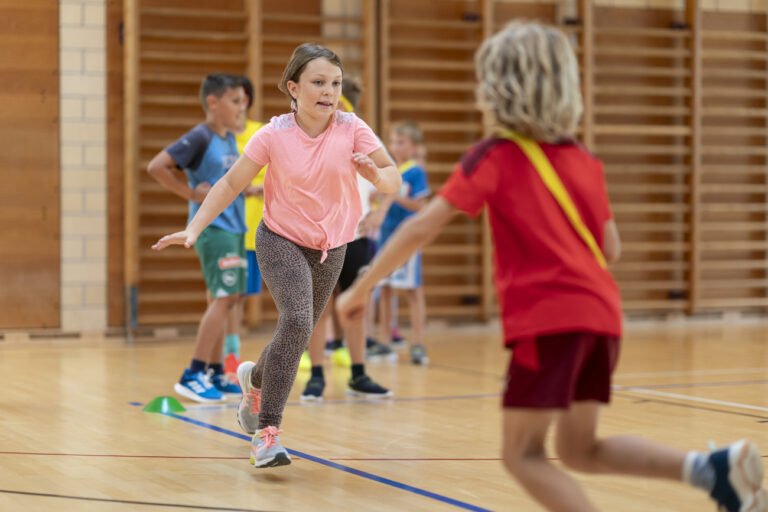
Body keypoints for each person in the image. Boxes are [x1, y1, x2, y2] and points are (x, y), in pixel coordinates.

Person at [335, 22, 767, 512]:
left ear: (496, 88)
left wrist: (361, 289)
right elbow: (611, 248)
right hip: (602, 318)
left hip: (550, 320)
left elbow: (419, 228)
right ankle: (711, 470)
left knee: (522, 455)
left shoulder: (493, 155)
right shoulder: (582, 157)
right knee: (579, 449)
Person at [152, 43, 401, 468]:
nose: (329, 92)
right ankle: (267, 432)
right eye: (319, 82)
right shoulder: (273, 134)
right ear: (294, 87)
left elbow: (393, 180)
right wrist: (194, 228)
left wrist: (377, 175)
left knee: (296, 332)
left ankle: (255, 379)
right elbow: (230, 184)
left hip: (332, 246)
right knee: (300, 320)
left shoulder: (353, 127)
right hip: (279, 239)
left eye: (335, 83)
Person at [147, 73, 247, 403]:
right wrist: (190, 193)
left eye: (244, 101)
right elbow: (157, 166)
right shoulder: (200, 136)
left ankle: (215, 372)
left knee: (228, 298)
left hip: (233, 227)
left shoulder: (230, 139)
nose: (242, 106)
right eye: (235, 101)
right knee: (223, 297)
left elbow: (227, 185)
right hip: (214, 230)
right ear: (213, 102)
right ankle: (193, 373)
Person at [300, 77, 393, 401]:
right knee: (318, 308)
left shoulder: (358, 130)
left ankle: (357, 373)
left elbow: (390, 173)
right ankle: (316, 374)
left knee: (355, 305)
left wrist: (379, 213)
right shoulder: (308, 133)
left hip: (355, 234)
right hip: (320, 235)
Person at [372, 121, 430, 365]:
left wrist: (395, 196)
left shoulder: (416, 172)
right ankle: (385, 342)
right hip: (386, 235)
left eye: (401, 142)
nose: (395, 146)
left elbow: (421, 206)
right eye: (393, 141)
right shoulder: (390, 168)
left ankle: (418, 343)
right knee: (385, 289)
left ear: (414, 146)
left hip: (406, 236)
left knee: (412, 291)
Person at [222, 75, 266, 378]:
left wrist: (256, 188)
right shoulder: (220, 138)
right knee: (230, 294)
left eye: (239, 99)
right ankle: (231, 354)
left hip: (263, 230)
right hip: (231, 229)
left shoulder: (261, 133)